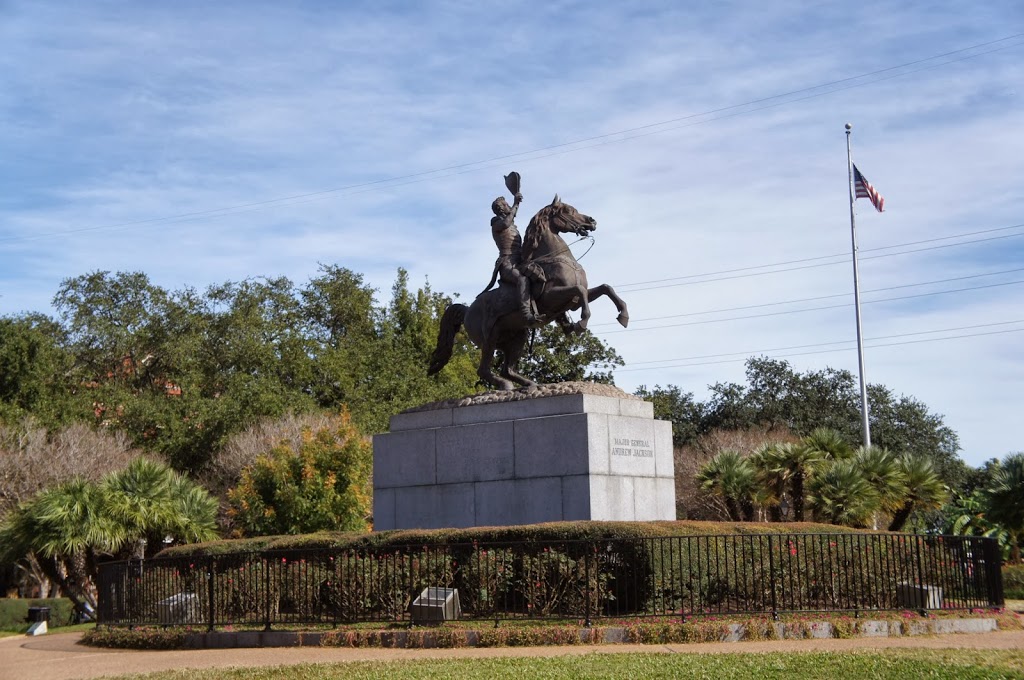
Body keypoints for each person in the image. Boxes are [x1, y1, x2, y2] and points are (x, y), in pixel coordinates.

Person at [487, 191, 536, 324]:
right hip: (507, 263)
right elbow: (506, 223)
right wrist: (515, 204)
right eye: (506, 204)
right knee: (522, 279)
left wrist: (517, 204)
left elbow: (511, 218)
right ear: (501, 209)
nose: (508, 206)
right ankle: (526, 314)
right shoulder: (497, 223)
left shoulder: (511, 224)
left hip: (519, 260)